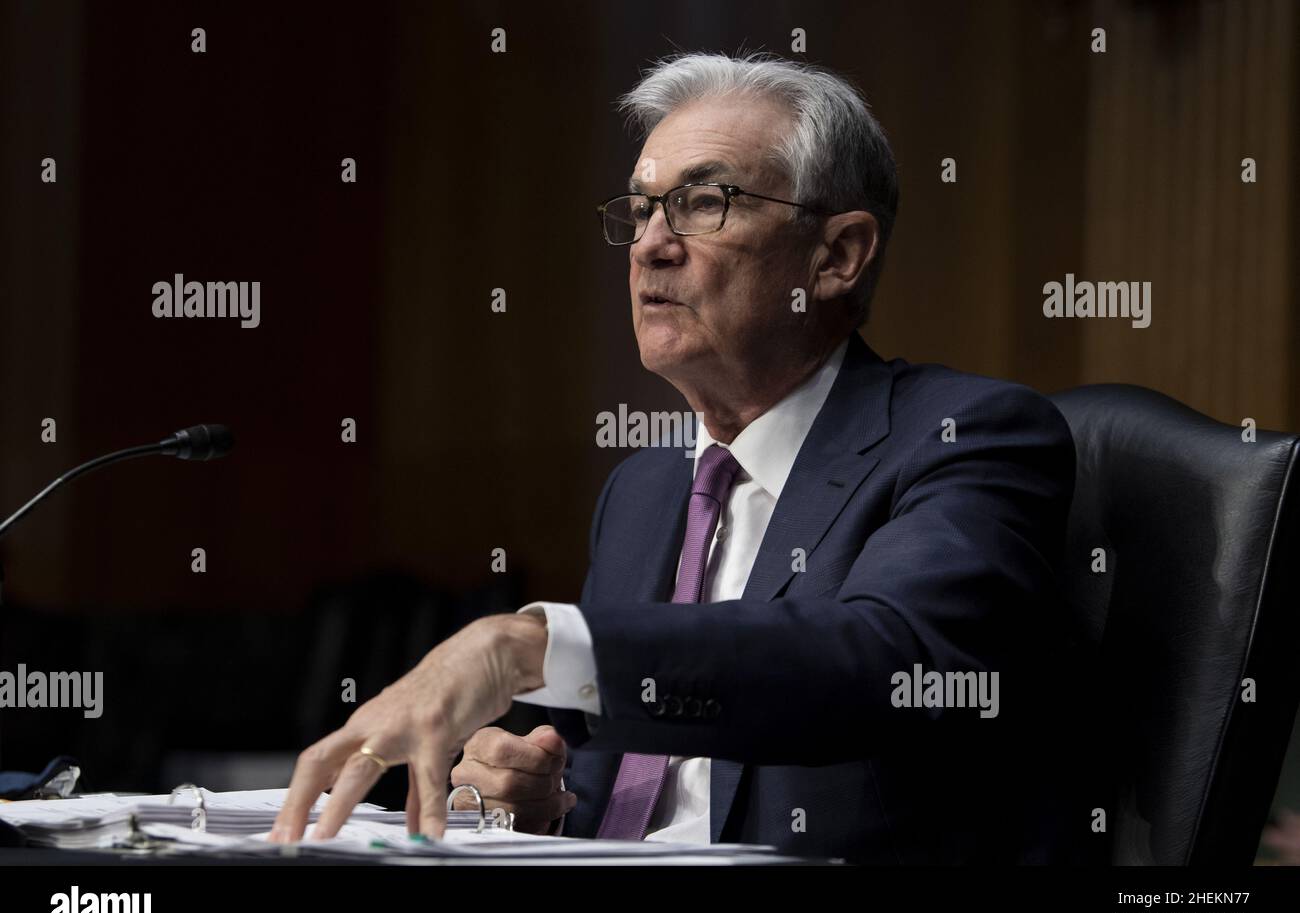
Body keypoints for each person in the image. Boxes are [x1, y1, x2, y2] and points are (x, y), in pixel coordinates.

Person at [270, 51, 1082, 864]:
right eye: (641, 209)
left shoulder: (968, 435)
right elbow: (614, 765)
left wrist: (529, 647)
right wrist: (540, 799)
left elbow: (886, 663)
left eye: (703, 202)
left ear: (837, 256)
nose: (650, 247)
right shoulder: (645, 488)